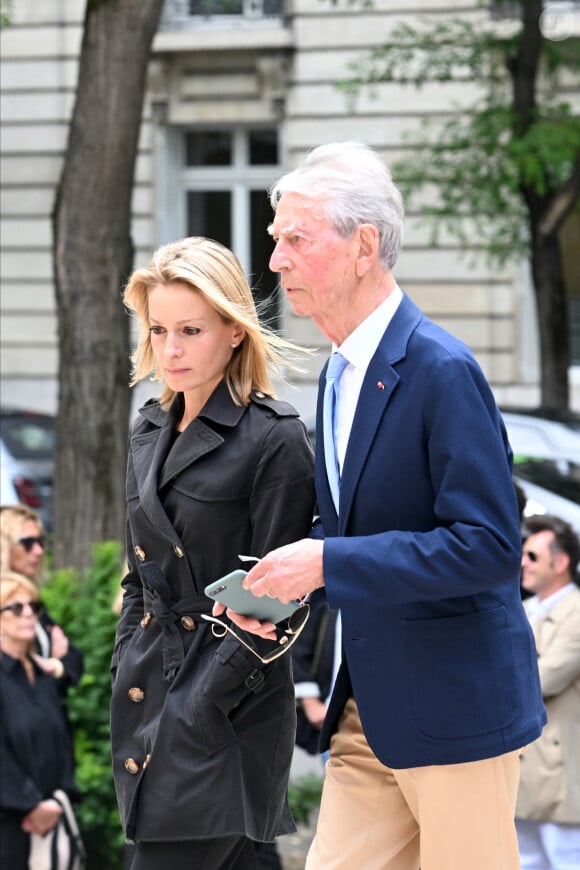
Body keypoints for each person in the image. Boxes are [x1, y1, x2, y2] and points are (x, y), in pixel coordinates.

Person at [234, 141, 547, 870]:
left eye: (294, 239)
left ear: (363, 247)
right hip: (363, 713)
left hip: (455, 717)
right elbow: (357, 529)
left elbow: (489, 545)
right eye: (275, 240)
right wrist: (285, 580)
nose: (274, 260)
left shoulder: (441, 369)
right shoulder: (339, 372)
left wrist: (328, 561)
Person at [109, 236, 315, 870]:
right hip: (149, 695)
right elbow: (140, 576)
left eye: (190, 330)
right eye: (160, 329)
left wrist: (200, 702)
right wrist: (126, 660)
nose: (170, 349)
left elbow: (286, 599)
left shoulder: (274, 438)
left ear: (233, 330)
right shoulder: (147, 428)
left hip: (227, 708)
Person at [0, 571, 78, 868]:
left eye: (33, 605)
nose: (29, 613)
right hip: (10, 825)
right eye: (15, 607)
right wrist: (31, 806)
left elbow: (61, 740)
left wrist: (58, 800)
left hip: (52, 816)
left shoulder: (42, 674)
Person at [516, 514, 580, 869]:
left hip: (560, 776)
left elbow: (539, 680)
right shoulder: (522, 610)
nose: (523, 562)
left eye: (533, 556)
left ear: (561, 562)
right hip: (521, 772)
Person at [0, 504, 84, 691]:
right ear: (4, 547)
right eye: (28, 543)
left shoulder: (31, 601)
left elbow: (74, 660)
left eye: (40, 542)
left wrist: (53, 666)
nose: (38, 551)